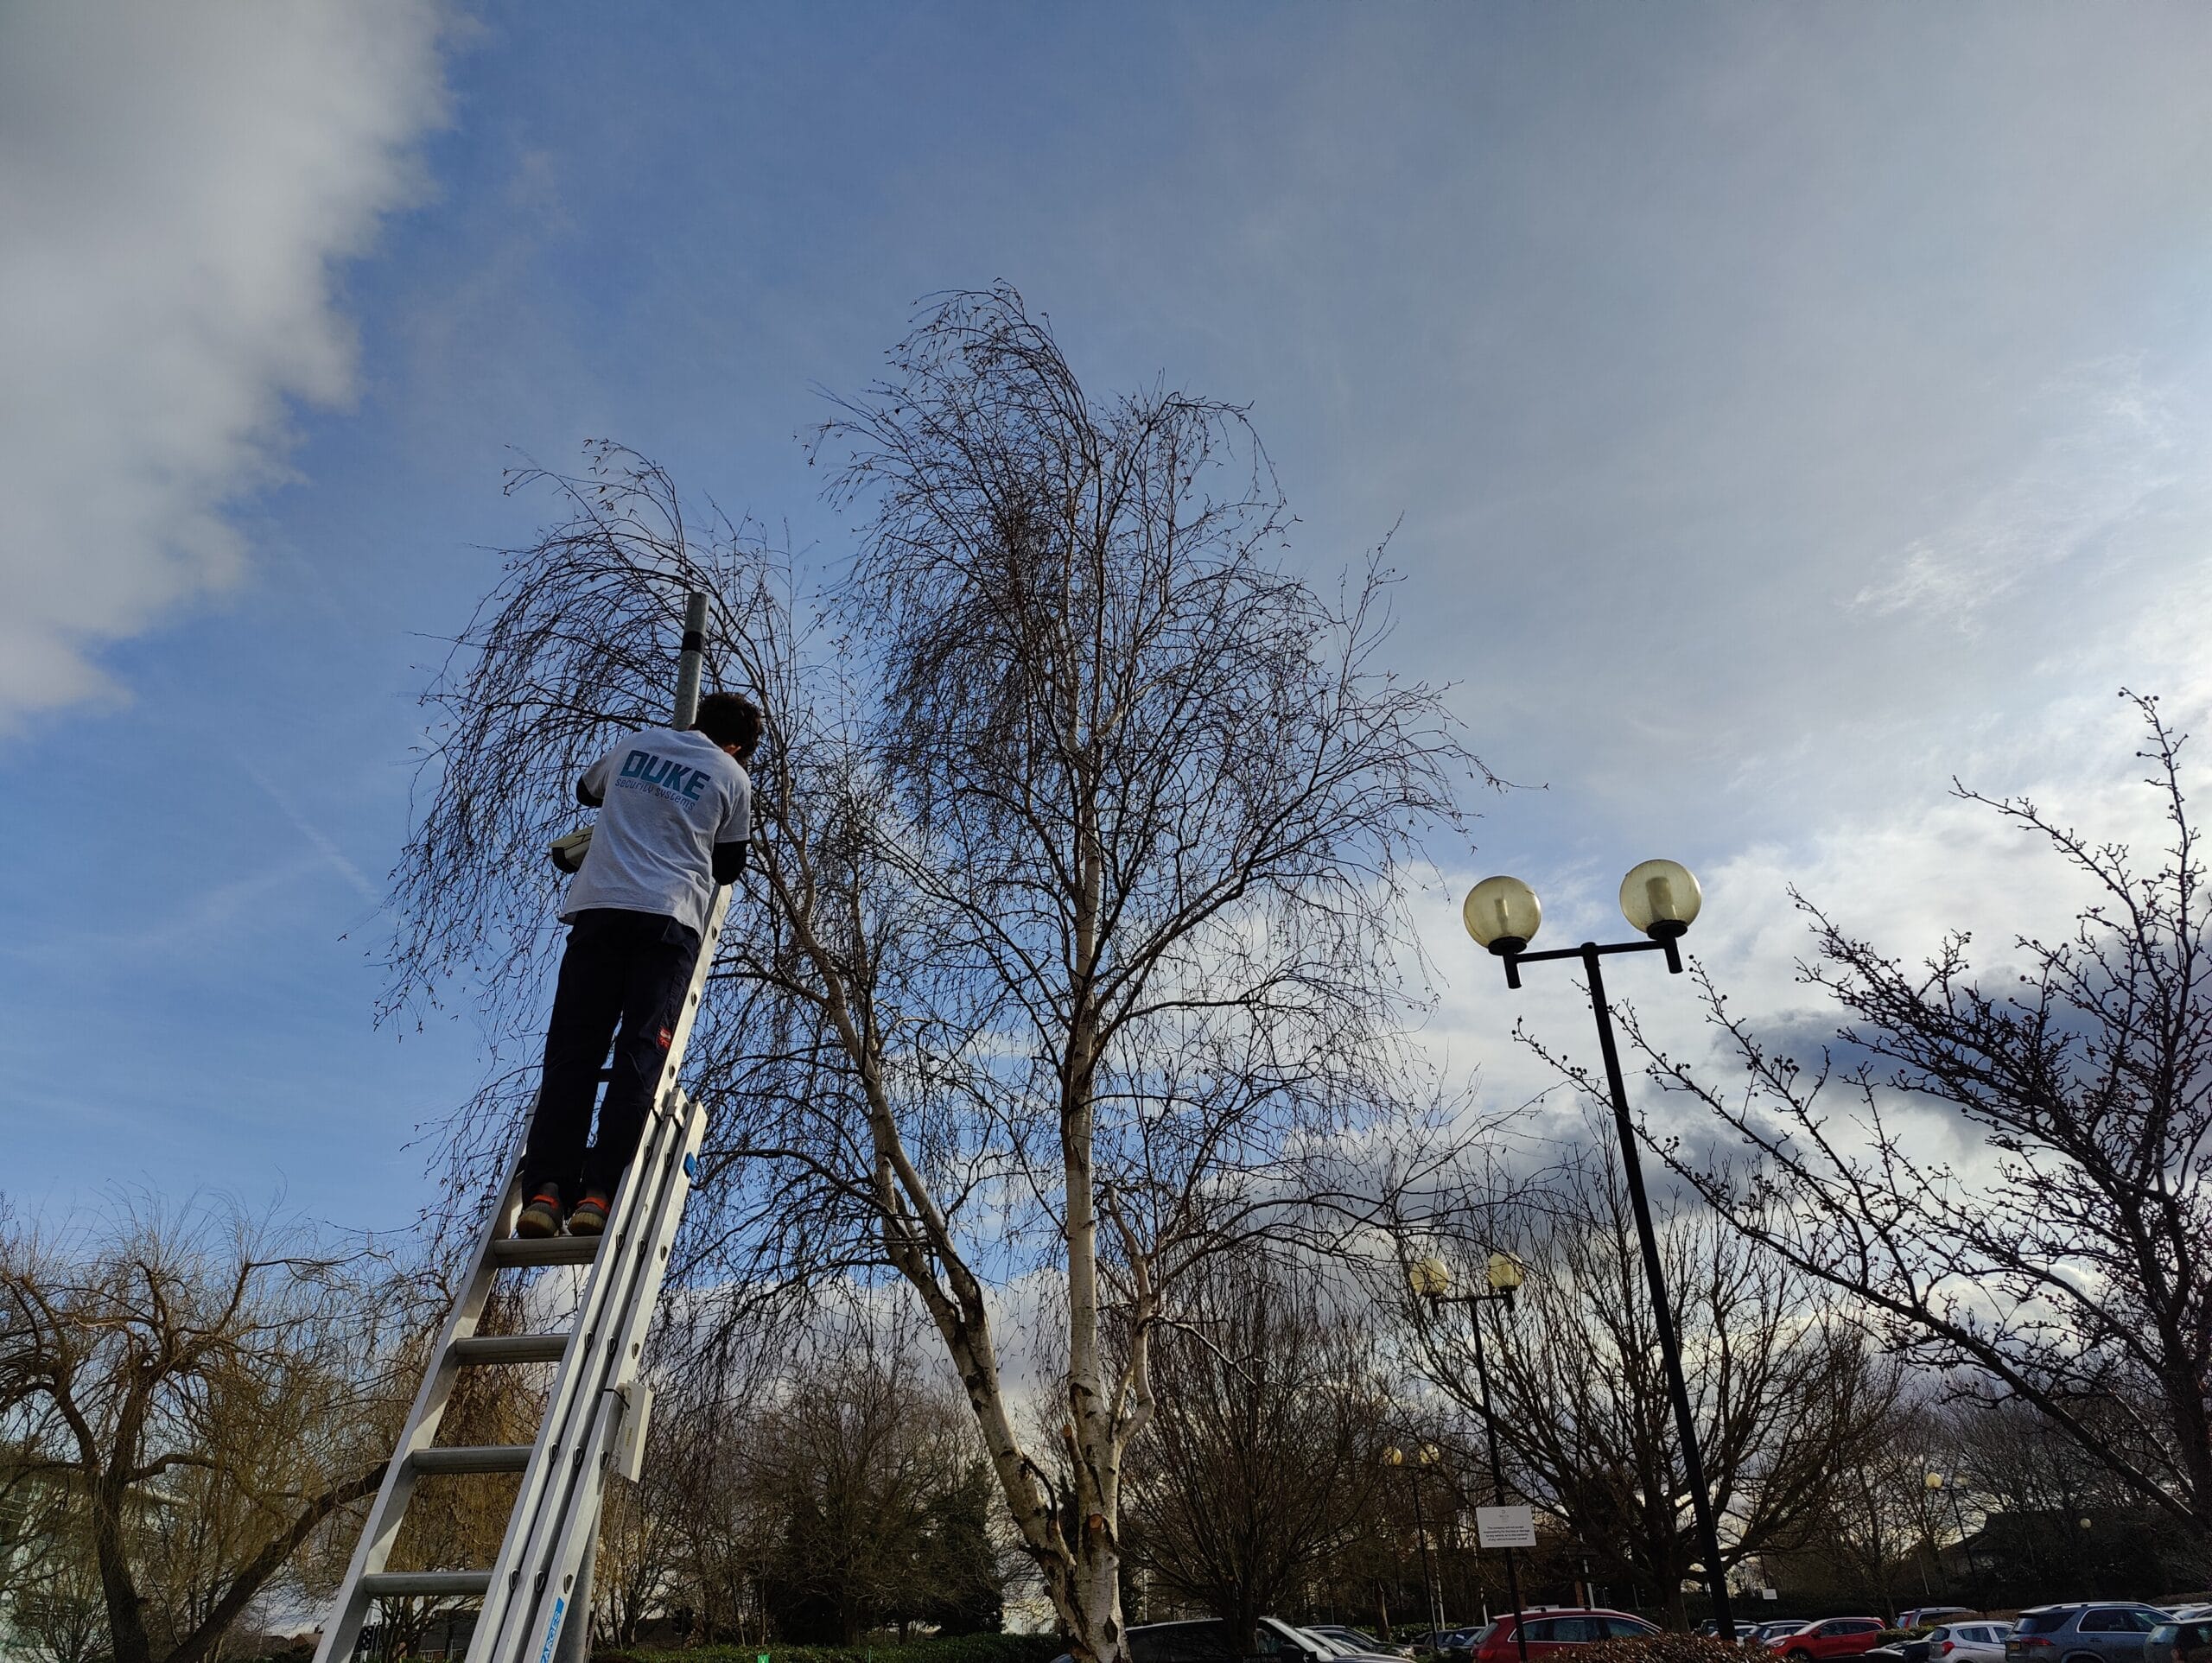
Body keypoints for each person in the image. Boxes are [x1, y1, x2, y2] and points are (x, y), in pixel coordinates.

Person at [515, 691, 760, 1239]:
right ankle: (598, 1194)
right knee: (640, 1054)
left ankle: (546, 1192)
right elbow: (727, 867)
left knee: (573, 1054)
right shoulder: (732, 777)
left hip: (600, 910)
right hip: (667, 923)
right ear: (737, 746)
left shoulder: (637, 744)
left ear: (698, 720)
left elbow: (586, 790)